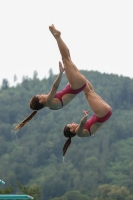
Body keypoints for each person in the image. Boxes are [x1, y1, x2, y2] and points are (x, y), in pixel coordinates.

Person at [14, 24, 86, 132]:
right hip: (76, 85)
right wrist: (61, 74)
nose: (43, 94)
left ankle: (58, 37)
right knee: (65, 58)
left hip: (76, 85)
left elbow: (66, 94)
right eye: (40, 95)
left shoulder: (51, 105)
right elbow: (54, 87)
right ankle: (57, 36)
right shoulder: (49, 102)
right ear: (40, 100)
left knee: (68, 57)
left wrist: (71, 79)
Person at [63, 80, 112, 156]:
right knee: (88, 93)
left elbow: (94, 128)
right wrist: (85, 116)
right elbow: (82, 123)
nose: (72, 122)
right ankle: (78, 80)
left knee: (90, 92)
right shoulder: (78, 132)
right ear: (71, 130)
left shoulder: (82, 132)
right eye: (70, 124)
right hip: (102, 113)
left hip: (105, 113)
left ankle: (80, 79)